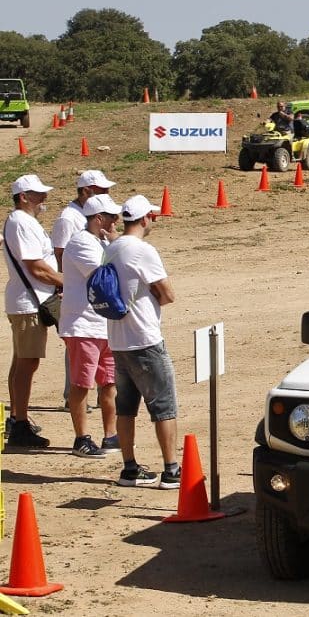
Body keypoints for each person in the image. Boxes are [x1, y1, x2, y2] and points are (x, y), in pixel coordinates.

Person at [107, 195, 181, 489]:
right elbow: (168, 294)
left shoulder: (111, 248)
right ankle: (171, 469)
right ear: (143, 219)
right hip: (144, 339)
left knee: (126, 407)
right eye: (152, 216)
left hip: (118, 339)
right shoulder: (142, 250)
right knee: (164, 406)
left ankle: (130, 468)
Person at [3, 175, 64, 448]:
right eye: (37, 194)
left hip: (26, 300)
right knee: (27, 363)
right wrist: (68, 281)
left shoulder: (23, 222)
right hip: (30, 303)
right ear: (23, 197)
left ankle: (18, 419)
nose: (44, 198)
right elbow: (36, 267)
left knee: (22, 362)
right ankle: (20, 423)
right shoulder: (21, 223)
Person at [60, 194, 122, 458]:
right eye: (112, 216)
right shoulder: (81, 243)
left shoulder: (98, 242)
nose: (117, 220)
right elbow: (107, 276)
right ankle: (81, 438)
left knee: (108, 383)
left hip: (102, 323)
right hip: (83, 324)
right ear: (99, 219)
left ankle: (110, 435)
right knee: (82, 384)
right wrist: (118, 244)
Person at [52, 169, 116, 409]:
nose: (107, 193)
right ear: (86, 191)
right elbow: (60, 253)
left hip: (89, 296)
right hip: (74, 291)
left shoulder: (86, 217)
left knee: (87, 350)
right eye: (102, 190)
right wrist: (62, 284)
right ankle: (73, 395)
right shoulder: (69, 218)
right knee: (79, 347)